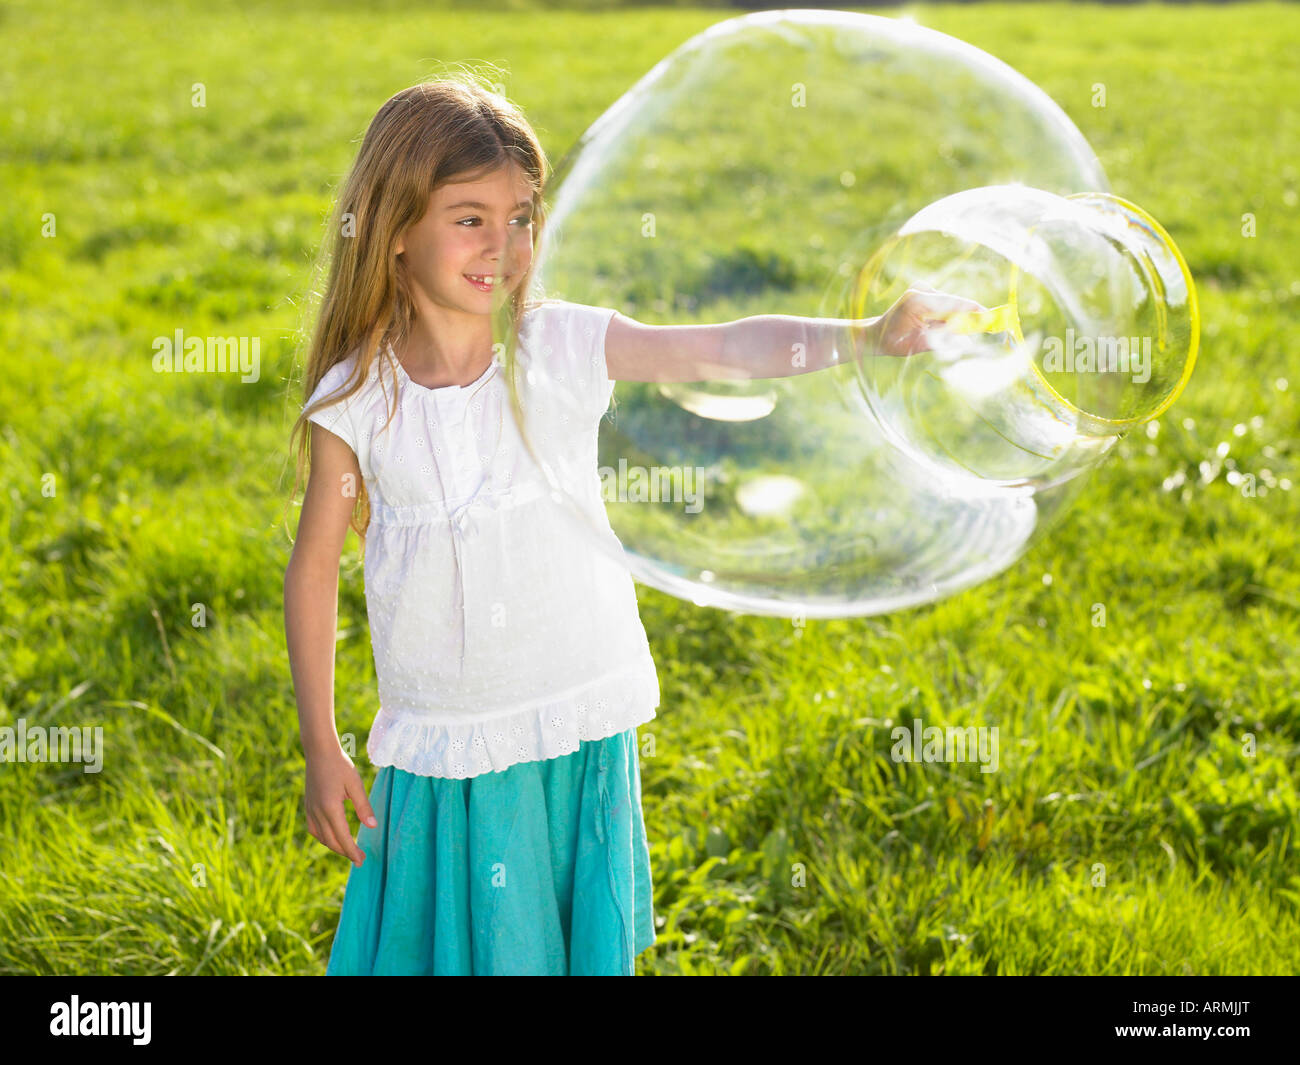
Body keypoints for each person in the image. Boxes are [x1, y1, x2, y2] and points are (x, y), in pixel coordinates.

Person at [283, 74, 978, 977]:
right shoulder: (360, 397)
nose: (505, 244)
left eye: (522, 216)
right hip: (449, 738)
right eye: (470, 218)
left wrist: (868, 333)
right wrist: (320, 741)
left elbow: (725, 345)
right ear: (397, 229)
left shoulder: (559, 347)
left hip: (573, 709)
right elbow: (311, 570)